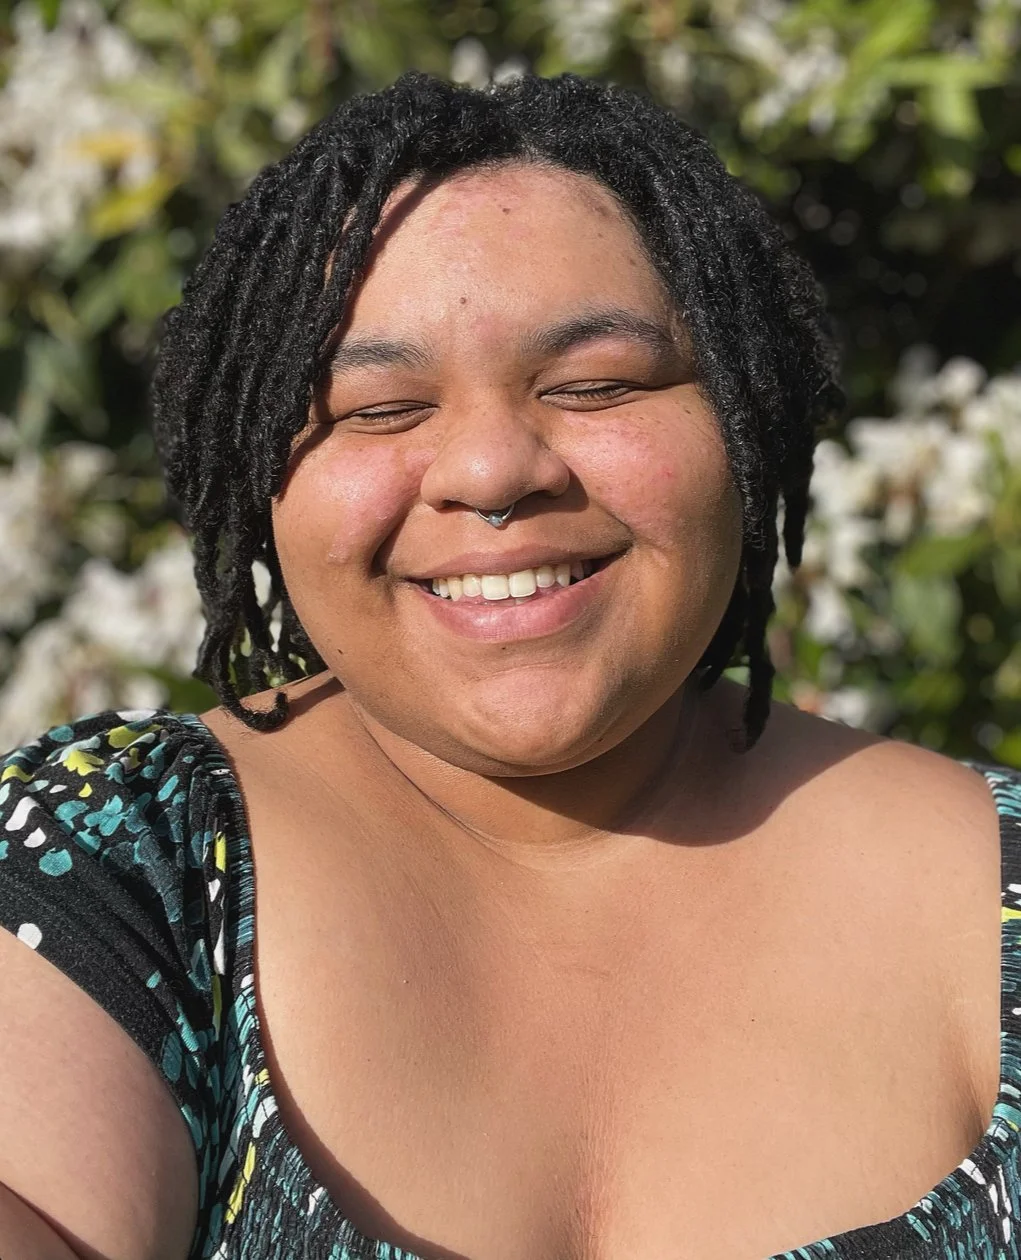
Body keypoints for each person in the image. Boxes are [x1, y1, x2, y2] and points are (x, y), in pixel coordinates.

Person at [0, 70, 1018, 1260]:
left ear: (750, 413)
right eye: (378, 408)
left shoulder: (993, 895)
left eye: (595, 386)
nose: (490, 471)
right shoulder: (119, 867)